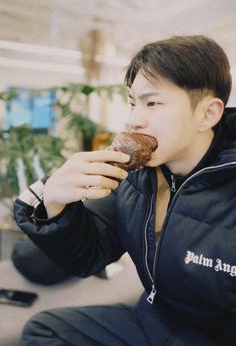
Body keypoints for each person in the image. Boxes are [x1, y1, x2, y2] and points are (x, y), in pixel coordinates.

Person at [14, 35, 236, 345]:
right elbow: (88, 257)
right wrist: (54, 205)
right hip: (155, 320)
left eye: (152, 103)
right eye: (132, 102)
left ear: (207, 113)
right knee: (45, 331)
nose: (133, 120)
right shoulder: (136, 178)